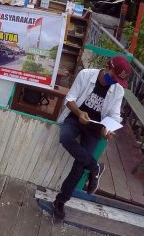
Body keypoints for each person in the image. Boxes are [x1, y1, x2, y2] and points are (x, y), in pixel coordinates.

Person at [52, 56, 132, 220]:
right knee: (65, 137)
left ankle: (60, 201)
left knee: (80, 166)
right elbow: (70, 98)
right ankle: (94, 167)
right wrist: (80, 113)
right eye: (112, 77)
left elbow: (115, 115)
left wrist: (107, 128)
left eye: (117, 80)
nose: (113, 82)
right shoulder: (86, 75)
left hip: (95, 129)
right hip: (76, 118)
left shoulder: (118, 90)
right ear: (107, 67)